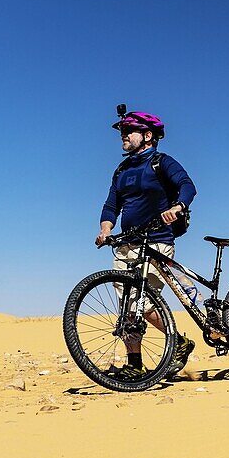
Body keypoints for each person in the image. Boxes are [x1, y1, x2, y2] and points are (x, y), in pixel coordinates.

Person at [96, 109, 197, 380]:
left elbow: (187, 185)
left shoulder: (161, 162)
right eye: (122, 132)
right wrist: (106, 229)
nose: (124, 137)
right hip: (126, 245)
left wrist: (178, 206)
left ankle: (179, 341)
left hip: (157, 241)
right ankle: (135, 363)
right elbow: (111, 205)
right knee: (127, 308)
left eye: (129, 131)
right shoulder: (122, 170)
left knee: (143, 303)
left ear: (147, 135)